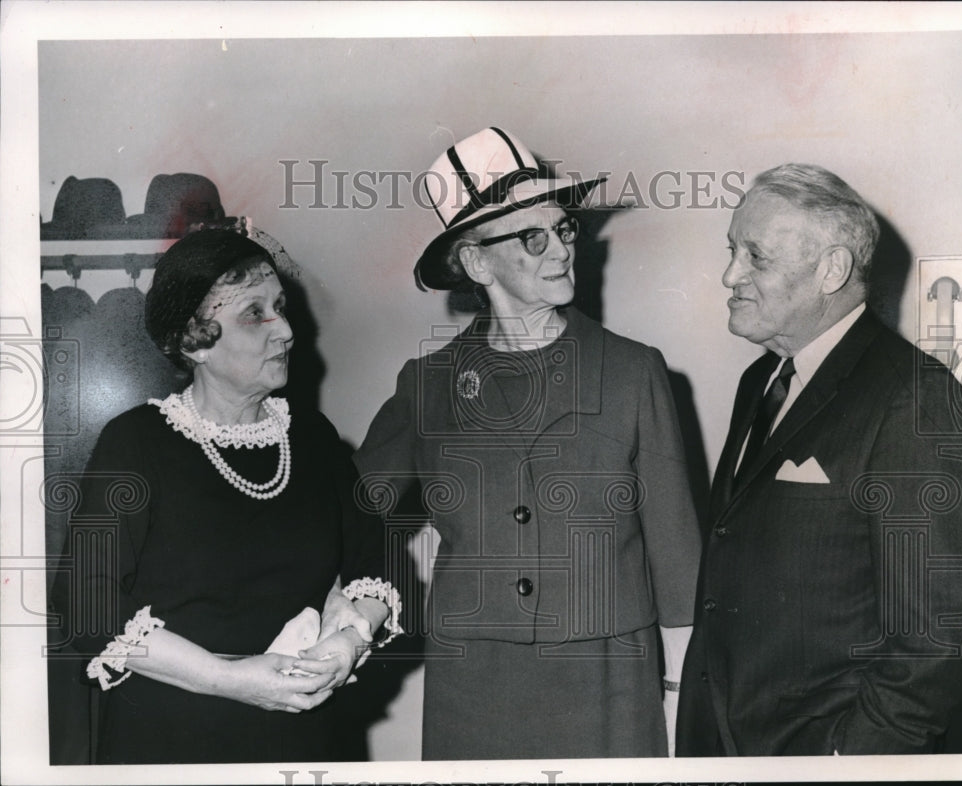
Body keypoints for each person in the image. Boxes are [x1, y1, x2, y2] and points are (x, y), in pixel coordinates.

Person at [353, 127, 702, 759]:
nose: (562, 250)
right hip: (475, 687)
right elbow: (350, 507)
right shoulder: (428, 387)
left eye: (563, 228)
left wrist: (678, 700)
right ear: (478, 262)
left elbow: (678, 561)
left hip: (608, 678)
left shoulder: (633, 371)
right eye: (531, 237)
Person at [676, 163, 962, 756]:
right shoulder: (762, 380)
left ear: (833, 270)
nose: (729, 275)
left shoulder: (916, 399)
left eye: (755, 257)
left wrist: (851, 761)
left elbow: (938, 639)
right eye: (731, 251)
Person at [53, 229, 401, 764]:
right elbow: (86, 605)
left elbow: (375, 564)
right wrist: (230, 679)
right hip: (172, 741)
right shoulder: (137, 443)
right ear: (194, 338)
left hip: (304, 738)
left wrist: (349, 641)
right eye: (255, 313)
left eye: (280, 307)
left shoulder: (312, 438)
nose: (285, 329)